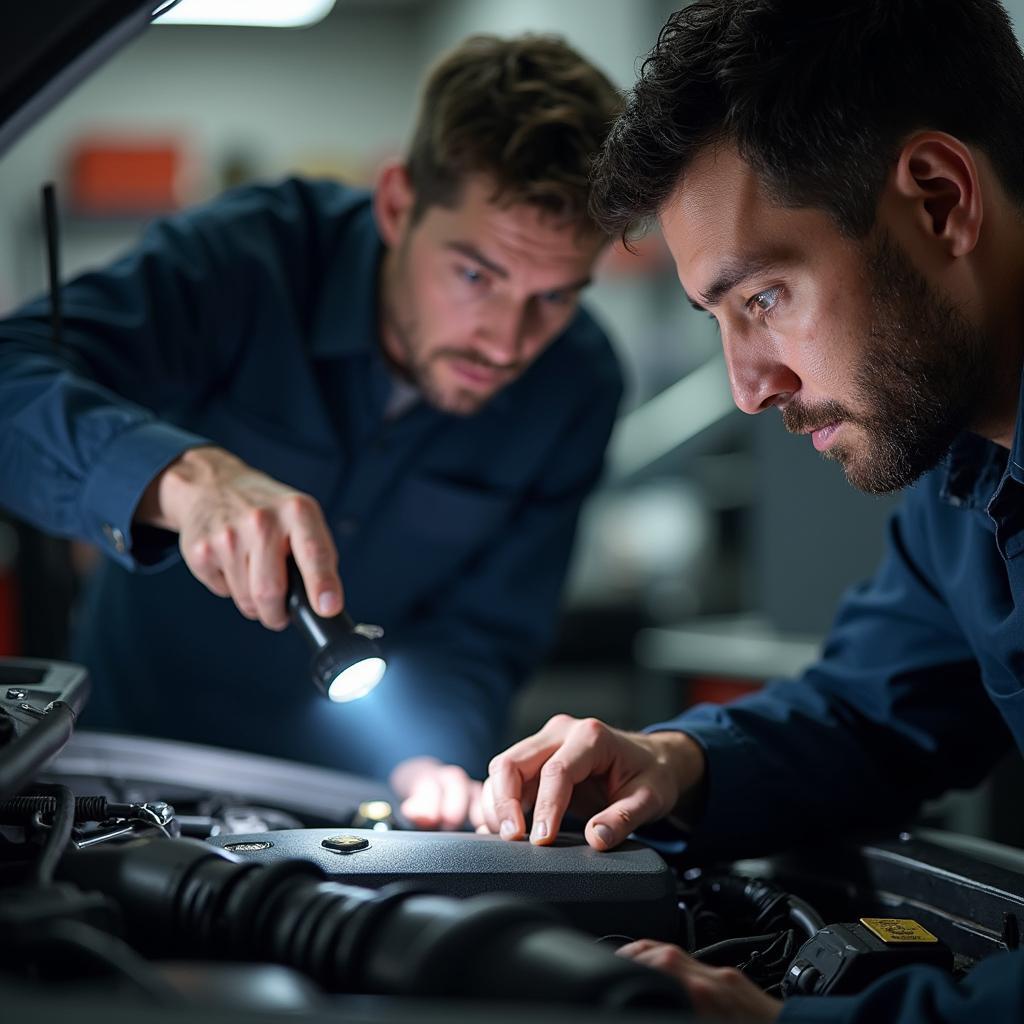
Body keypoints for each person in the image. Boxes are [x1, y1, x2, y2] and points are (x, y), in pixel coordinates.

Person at [478, 1, 1024, 1020]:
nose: (746, 386)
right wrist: (673, 763)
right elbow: (873, 709)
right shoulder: (966, 479)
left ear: (940, 199)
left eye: (763, 298)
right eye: (717, 321)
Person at [0, 33, 624, 830]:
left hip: (347, 814)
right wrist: (184, 482)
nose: (506, 343)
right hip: (124, 771)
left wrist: (434, 753)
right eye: (476, 275)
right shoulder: (249, 261)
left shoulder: (576, 386)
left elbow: (484, 635)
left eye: (555, 298)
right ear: (397, 203)